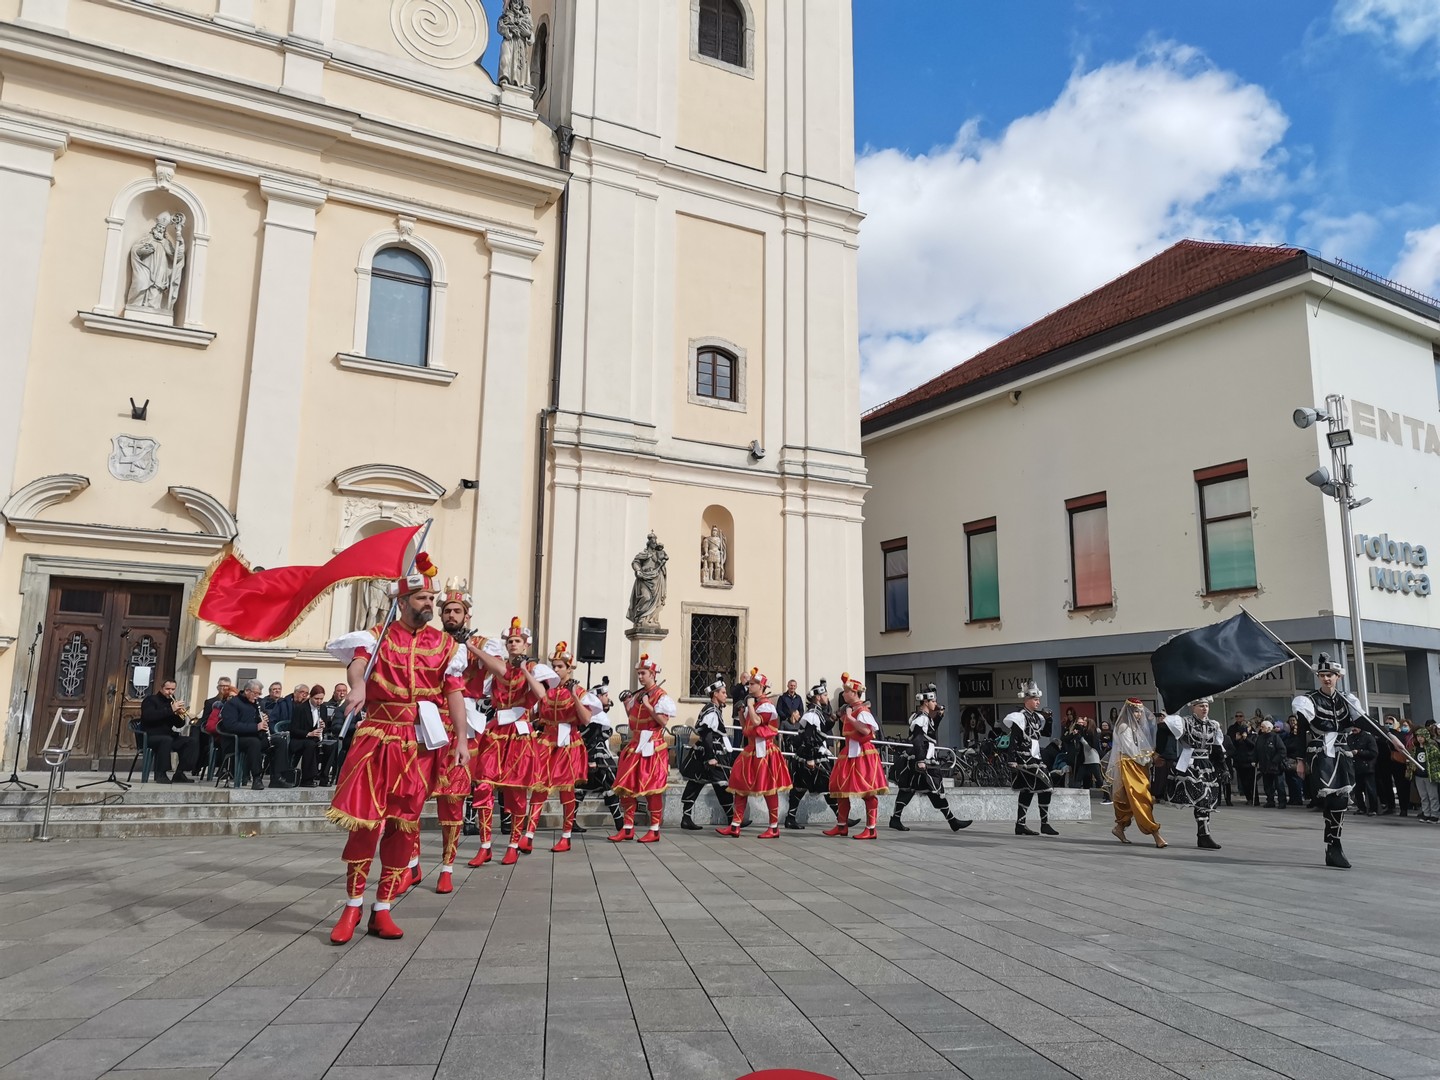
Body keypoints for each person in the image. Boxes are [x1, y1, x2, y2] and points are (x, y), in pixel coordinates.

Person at [324, 558, 468, 942]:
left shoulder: (446, 645)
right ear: (401, 601)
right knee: (365, 825)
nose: (430, 604)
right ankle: (351, 908)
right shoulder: (376, 636)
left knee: (403, 827)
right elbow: (357, 667)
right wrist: (357, 686)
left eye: (432, 598)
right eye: (422, 597)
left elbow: (454, 691)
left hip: (419, 745)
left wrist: (463, 741)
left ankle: (382, 909)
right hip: (377, 736)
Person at [466, 618, 549, 865]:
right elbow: (495, 671)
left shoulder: (534, 668)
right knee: (483, 785)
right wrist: (470, 646)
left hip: (520, 733)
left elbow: (542, 695)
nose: (513, 644)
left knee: (515, 791)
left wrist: (524, 669)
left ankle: (513, 843)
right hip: (496, 732)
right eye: (510, 641)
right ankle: (485, 845)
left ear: (525, 645)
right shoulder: (500, 667)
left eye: (517, 641)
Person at [1291, 655, 1361, 869]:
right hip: (1320, 752)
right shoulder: (1309, 700)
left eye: (1329, 675)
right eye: (1322, 675)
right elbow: (1300, 732)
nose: (1326, 679)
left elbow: (1363, 722)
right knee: (1330, 798)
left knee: (1341, 800)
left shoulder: (1347, 699)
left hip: (1342, 751)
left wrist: (1390, 737)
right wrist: (1300, 760)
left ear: (1338, 676)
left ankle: (1334, 844)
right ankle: (1333, 844)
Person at [717, 669, 792, 838]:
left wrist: (749, 706)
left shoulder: (766, 705)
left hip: (765, 750)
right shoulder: (755, 704)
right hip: (751, 750)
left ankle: (773, 827)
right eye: (749, 683)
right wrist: (740, 712)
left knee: (768, 788)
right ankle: (735, 824)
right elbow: (746, 729)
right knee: (740, 787)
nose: (749, 686)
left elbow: (758, 722)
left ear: (762, 686)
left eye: (752, 684)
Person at [610, 654, 677, 842]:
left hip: (653, 746)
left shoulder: (660, 697)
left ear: (653, 674)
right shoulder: (639, 694)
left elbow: (663, 722)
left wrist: (648, 705)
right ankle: (628, 827)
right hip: (636, 744)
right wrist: (627, 704)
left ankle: (654, 829)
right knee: (626, 786)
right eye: (639, 673)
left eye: (643, 673)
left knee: (651, 788)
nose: (640, 677)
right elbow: (633, 722)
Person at [533, 641, 591, 853]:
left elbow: (586, 719)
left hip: (568, 742)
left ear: (569, 668)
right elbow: (538, 717)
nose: (556, 669)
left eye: (559, 666)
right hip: (547, 741)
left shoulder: (580, 691)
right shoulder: (548, 691)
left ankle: (566, 835)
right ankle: (528, 834)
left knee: (567, 790)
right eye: (554, 666)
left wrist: (574, 694)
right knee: (539, 787)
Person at [890, 688, 971, 833]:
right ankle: (953, 821)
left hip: (920, 760)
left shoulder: (924, 717)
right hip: (920, 761)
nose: (935, 703)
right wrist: (921, 760)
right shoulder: (921, 718)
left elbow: (931, 731)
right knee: (933, 788)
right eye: (933, 701)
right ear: (925, 702)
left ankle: (895, 819)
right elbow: (918, 739)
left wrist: (939, 715)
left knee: (912, 790)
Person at [825, 673, 887, 839]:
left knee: (867, 791)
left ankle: (871, 828)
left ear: (854, 693)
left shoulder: (862, 710)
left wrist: (851, 717)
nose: (843, 694)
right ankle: (841, 826)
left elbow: (867, 730)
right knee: (841, 789)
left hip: (862, 753)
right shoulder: (850, 709)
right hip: (849, 752)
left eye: (846, 691)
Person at [785, 680, 851, 830]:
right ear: (818, 697)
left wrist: (835, 716)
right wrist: (810, 758)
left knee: (801, 788)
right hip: (811, 755)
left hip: (810, 755)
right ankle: (842, 818)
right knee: (827, 785)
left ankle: (790, 818)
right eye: (825, 695)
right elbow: (809, 737)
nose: (827, 697)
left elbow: (823, 727)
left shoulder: (817, 712)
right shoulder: (812, 714)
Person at [1161, 697, 1225, 850]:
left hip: (1206, 764)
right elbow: (1165, 730)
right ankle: (1204, 835)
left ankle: (1204, 835)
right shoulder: (1185, 722)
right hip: (1190, 763)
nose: (1205, 709)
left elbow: (1217, 747)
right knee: (1202, 799)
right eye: (1201, 706)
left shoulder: (1213, 725)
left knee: (1206, 800)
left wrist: (1223, 767)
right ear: (1193, 708)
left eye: (1206, 706)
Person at [1107, 698, 1165, 848]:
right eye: (1136, 711)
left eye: (1140, 711)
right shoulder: (1124, 727)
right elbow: (1131, 751)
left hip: (1138, 765)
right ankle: (1155, 833)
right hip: (1130, 765)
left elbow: (1140, 749)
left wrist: (1150, 757)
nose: (1139, 714)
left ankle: (1119, 828)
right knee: (1141, 797)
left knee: (1128, 799)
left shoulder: (1135, 728)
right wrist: (1148, 758)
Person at [1002, 682, 1058, 836]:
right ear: (1027, 700)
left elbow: (1046, 733)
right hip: (1024, 759)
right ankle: (1044, 823)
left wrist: (1049, 718)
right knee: (1046, 786)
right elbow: (1014, 740)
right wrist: (1011, 759)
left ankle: (1021, 824)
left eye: (1038, 699)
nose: (1038, 702)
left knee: (1028, 790)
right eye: (1035, 699)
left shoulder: (1037, 717)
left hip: (1035, 757)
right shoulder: (1019, 717)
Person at [680, 677, 736, 830]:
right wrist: (710, 757)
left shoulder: (714, 709)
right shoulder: (711, 711)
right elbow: (706, 734)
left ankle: (733, 818)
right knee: (709, 783)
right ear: (715, 694)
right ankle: (732, 819)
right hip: (709, 754)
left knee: (709, 783)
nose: (726, 695)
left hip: (711, 752)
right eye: (723, 692)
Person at [572, 680, 626, 834]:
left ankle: (571, 823)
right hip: (596, 756)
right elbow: (590, 740)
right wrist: (591, 760)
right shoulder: (594, 716)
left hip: (595, 755)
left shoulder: (598, 713)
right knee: (609, 785)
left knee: (582, 788)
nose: (608, 698)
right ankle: (620, 825)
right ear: (598, 697)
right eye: (605, 695)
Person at [219, 680, 294, 791]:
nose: (257, 696)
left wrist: (264, 719)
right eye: (256, 693)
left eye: (259, 694)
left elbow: (259, 720)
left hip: (255, 737)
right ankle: (256, 778)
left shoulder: (257, 703)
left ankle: (277, 777)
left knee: (280, 741)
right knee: (254, 742)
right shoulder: (233, 703)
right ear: (247, 691)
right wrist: (256, 727)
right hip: (236, 739)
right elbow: (231, 725)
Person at [137, 678, 199, 784]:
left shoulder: (172, 702)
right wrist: (171, 710)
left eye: (173, 689)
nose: (170, 692)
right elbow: (149, 717)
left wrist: (180, 715)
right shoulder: (150, 700)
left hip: (168, 736)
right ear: (161, 688)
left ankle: (179, 773)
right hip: (150, 736)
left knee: (191, 741)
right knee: (166, 740)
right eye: (167, 689)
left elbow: (179, 725)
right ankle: (161, 774)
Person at [287, 685, 327, 786]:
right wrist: (308, 733)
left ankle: (324, 778)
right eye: (316, 699)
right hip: (299, 739)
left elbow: (326, 727)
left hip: (315, 738)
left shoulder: (323, 708)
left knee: (331, 745)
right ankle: (307, 779)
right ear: (310, 697)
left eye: (321, 699)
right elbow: (293, 729)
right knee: (310, 745)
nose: (319, 701)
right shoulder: (301, 708)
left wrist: (324, 726)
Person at [1347, 722, 1379, 816]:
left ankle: (1373, 809)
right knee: (1357, 790)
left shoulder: (1368, 737)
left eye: (1356, 726)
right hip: (1355, 767)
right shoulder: (1350, 738)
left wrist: (1359, 752)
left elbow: (1373, 752)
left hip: (1367, 767)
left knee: (1370, 789)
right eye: (1352, 727)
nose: (1354, 728)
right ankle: (1361, 808)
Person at [1256, 719, 1288, 808]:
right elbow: (1256, 750)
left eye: (1263, 727)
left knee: (1279, 785)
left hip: (1275, 766)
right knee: (1268, 785)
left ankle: (1282, 802)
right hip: (1264, 766)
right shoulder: (1260, 738)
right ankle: (1270, 801)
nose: (1261, 728)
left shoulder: (1275, 737)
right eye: (1261, 727)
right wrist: (1255, 760)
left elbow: (1282, 750)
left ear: (1269, 728)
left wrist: (1274, 760)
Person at [1414, 721, 1440, 823]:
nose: (1419, 738)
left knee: (1433, 795)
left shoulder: (1432, 748)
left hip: (1429, 775)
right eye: (1418, 736)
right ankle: (1426, 813)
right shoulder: (1415, 749)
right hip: (1419, 775)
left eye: (1421, 736)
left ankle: (1435, 814)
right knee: (1423, 796)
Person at [1231, 726, 1258, 805]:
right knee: (1244, 782)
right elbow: (1233, 747)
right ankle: (1248, 798)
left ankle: (1255, 799)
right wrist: (1236, 740)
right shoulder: (1238, 738)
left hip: (1249, 763)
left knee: (1252, 782)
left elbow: (1253, 746)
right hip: (1240, 763)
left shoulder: (1253, 736)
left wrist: (1246, 739)